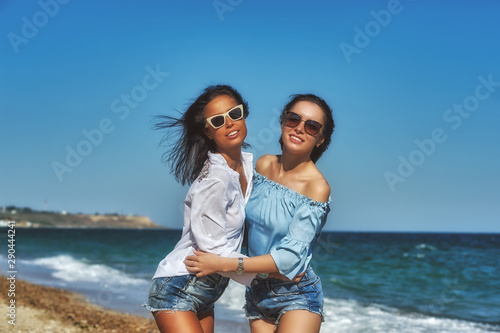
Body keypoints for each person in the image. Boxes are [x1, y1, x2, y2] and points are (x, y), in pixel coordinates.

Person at [186, 93, 335, 333]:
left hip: (296, 294)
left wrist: (222, 264)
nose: (299, 129)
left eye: (311, 126)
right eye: (293, 119)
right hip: (257, 293)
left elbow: (288, 260)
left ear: (320, 139)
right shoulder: (262, 165)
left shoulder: (317, 187)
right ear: (283, 122)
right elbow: (238, 220)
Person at [144, 84, 257, 333]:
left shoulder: (247, 167)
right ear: (208, 132)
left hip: (206, 291)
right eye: (218, 121)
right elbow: (212, 248)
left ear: (244, 115)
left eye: (234, 114)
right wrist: (265, 273)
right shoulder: (216, 177)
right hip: (179, 285)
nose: (229, 123)